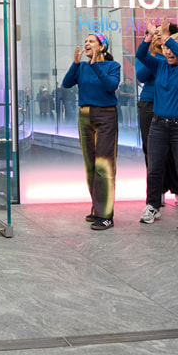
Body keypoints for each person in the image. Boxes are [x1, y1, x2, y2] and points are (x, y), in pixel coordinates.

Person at [136, 26, 178, 231]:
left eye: (174, 48)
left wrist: (168, 40)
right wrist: (149, 37)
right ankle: (152, 206)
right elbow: (140, 55)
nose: (170, 51)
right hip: (158, 125)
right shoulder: (160, 65)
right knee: (154, 169)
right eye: (166, 48)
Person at [62, 33, 121, 230]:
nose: (86, 43)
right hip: (84, 116)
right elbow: (66, 83)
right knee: (90, 166)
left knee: (103, 165)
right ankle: (97, 208)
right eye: (85, 41)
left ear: (102, 47)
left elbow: (111, 86)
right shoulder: (82, 67)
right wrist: (76, 64)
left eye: (91, 41)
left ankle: (106, 216)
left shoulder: (113, 66)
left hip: (106, 116)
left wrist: (96, 65)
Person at [136, 22, 178, 209]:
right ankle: (158, 191)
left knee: (175, 149)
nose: (156, 37)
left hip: (172, 102)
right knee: (151, 150)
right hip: (149, 103)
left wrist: (165, 51)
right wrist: (153, 54)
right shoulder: (146, 52)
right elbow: (142, 75)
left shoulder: (177, 52)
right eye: (153, 34)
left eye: (160, 34)